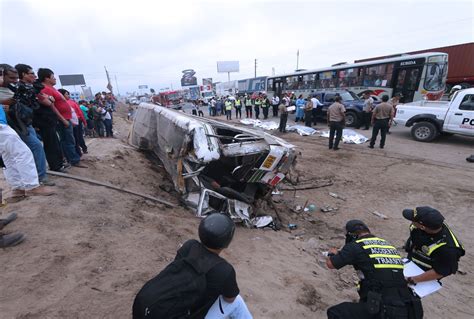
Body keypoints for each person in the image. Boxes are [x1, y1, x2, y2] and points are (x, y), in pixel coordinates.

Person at [133, 213, 253, 319]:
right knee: (237, 302)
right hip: (179, 312)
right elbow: (229, 299)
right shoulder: (224, 270)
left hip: (145, 308)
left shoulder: (189, 246)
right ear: (227, 242)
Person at [326, 220, 423, 319]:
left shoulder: (355, 246)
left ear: (352, 236)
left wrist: (331, 253)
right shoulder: (388, 245)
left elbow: (331, 264)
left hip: (385, 310)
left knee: (336, 313)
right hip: (408, 307)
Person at [7, 64, 54, 185]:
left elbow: (37, 92)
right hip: (17, 124)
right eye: (31, 73)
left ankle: (37, 177)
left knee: (31, 148)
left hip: (27, 122)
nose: (34, 76)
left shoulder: (27, 88)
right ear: (24, 75)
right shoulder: (16, 88)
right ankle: (38, 178)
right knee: (34, 147)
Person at [402, 206, 465, 285]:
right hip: (411, 263)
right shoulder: (431, 225)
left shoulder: (449, 250)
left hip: (423, 276)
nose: (411, 221)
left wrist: (412, 279)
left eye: (413, 220)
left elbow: (441, 271)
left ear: (422, 226)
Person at [38, 68, 81, 166]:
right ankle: (73, 160)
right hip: (62, 119)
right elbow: (51, 106)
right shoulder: (45, 89)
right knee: (67, 140)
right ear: (46, 78)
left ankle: (70, 159)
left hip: (66, 118)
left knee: (69, 140)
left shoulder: (53, 89)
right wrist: (62, 119)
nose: (55, 79)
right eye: (53, 77)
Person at [58, 89, 88, 154]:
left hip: (71, 122)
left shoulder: (62, 103)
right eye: (67, 94)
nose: (68, 95)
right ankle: (81, 151)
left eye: (68, 94)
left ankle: (77, 152)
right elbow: (80, 113)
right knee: (76, 138)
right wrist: (84, 122)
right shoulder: (70, 103)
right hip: (73, 122)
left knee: (71, 138)